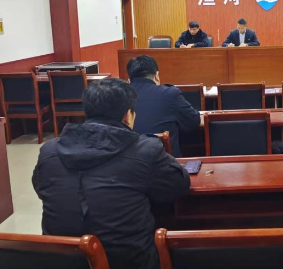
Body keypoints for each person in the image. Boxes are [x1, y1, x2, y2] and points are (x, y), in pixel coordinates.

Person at [33, 78, 190, 269]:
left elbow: (41, 189)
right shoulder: (145, 150)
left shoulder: (49, 151)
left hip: (60, 261)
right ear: (128, 116)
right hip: (129, 262)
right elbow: (178, 185)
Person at [127, 55, 200, 157]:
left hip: (128, 162)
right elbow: (193, 121)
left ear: (129, 80)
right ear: (157, 75)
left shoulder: (119, 97)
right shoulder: (170, 93)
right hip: (165, 161)